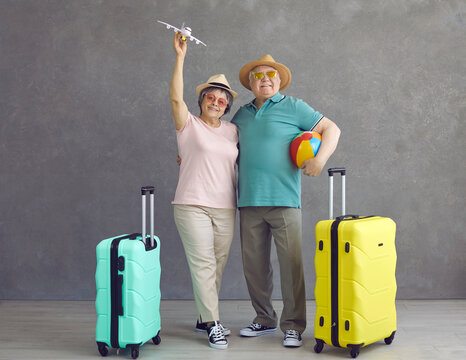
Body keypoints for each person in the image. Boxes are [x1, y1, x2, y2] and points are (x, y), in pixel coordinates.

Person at [231, 54, 341, 347]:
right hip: (248, 201)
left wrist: (320, 159)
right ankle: (264, 319)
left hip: (284, 200)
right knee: (254, 266)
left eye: (270, 74)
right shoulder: (240, 115)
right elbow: (222, 146)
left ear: (278, 80)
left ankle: (293, 325)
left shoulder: (294, 106)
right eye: (258, 75)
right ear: (250, 83)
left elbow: (332, 129)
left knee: (291, 265)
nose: (265, 79)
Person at [169, 31, 238, 350]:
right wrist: (181, 57)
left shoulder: (233, 131)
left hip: (226, 207)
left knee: (217, 265)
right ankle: (213, 324)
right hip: (191, 205)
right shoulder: (188, 124)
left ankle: (202, 316)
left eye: (222, 100)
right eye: (211, 97)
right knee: (204, 264)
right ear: (202, 100)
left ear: (226, 107)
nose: (216, 102)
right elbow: (175, 99)